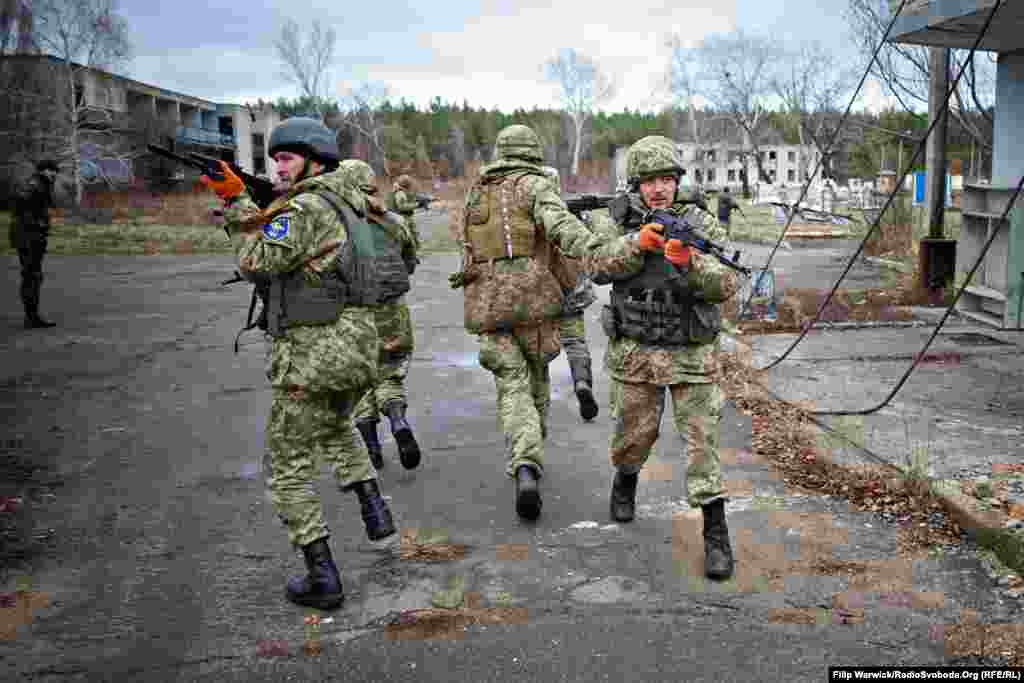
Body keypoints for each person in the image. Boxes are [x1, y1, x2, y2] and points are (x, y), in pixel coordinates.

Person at [200, 117, 397, 610]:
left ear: (314, 158)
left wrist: (236, 203)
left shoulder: (306, 207)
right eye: (276, 160)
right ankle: (376, 513)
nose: (279, 168)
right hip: (356, 349)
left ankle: (322, 575)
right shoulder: (350, 203)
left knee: (285, 464)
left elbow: (256, 261)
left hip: (315, 353)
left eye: (286, 158)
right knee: (334, 425)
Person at [450, 124, 634, 521]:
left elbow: (465, 249)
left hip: (486, 305)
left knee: (511, 387)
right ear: (532, 154)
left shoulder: (476, 192)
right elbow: (563, 229)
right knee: (536, 382)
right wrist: (601, 251)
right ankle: (531, 458)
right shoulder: (535, 186)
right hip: (534, 302)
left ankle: (525, 463)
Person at [585, 135, 738, 580]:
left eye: (666, 179)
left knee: (702, 446)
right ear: (636, 184)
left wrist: (689, 264)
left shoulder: (699, 223)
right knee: (634, 435)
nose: (658, 189)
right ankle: (626, 480)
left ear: (677, 182)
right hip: (636, 354)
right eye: (649, 181)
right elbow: (594, 265)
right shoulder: (620, 222)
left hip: (692, 355)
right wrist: (638, 245)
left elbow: (727, 283)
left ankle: (715, 533)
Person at [340, 159, 422, 470]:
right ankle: (398, 420)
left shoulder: (333, 221)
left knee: (358, 378)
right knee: (390, 371)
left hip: (350, 313)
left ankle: (371, 447)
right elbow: (409, 261)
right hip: (391, 307)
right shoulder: (393, 221)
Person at [541, 165, 599, 422]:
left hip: (542, 292)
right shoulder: (571, 215)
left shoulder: (532, 214)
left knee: (538, 344)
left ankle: (536, 399)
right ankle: (582, 384)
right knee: (575, 343)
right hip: (572, 289)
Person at [11, 159, 60, 329]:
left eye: (55, 171)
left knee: (33, 275)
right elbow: (20, 201)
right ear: (43, 170)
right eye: (51, 170)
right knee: (32, 275)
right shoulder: (34, 184)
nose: (54, 173)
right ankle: (31, 317)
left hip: (31, 235)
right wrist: (35, 222)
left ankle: (32, 316)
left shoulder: (42, 184)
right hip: (28, 236)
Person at [388, 174, 420, 252]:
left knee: (410, 236)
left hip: (401, 218)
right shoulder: (400, 193)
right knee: (409, 237)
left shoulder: (400, 192)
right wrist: (416, 205)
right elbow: (402, 207)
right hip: (403, 218)